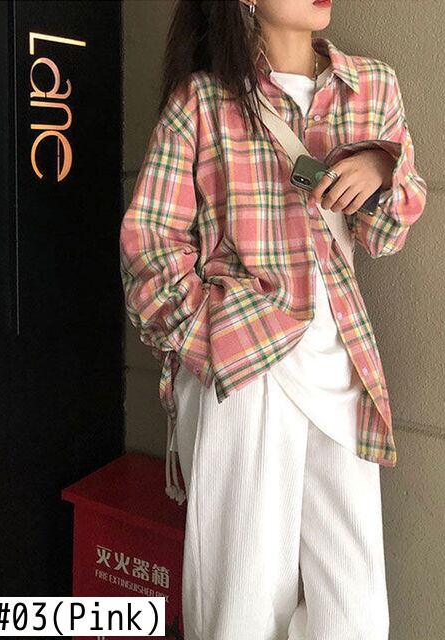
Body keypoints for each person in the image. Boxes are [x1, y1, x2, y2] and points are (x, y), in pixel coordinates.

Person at [119, 0, 427, 638]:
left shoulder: (371, 85)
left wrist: (381, 169)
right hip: (244, 373)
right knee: (242, 604)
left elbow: (387, 235)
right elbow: (149, 248)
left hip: (343, 368)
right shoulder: (203, 102)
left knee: (356, 615)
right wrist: (215, 335)